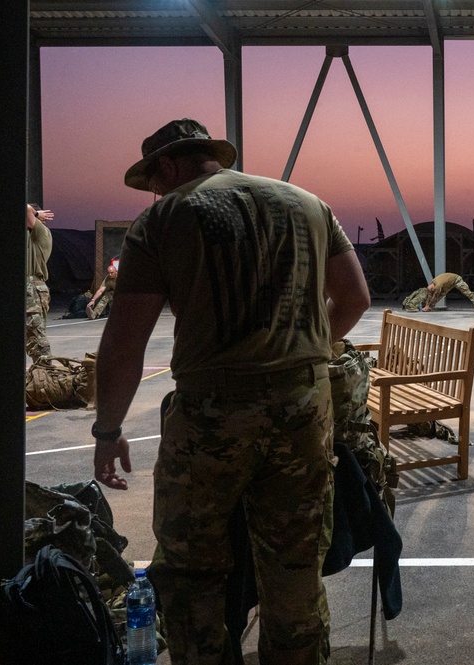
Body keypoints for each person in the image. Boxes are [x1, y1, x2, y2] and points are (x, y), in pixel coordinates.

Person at [91, 118, 370, 665]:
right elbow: (355, 298)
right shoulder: (310, 205)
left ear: (169, 166)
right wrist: (304, 353)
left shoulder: (164, 218)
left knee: (192, 572)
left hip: (213, 416)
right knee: (294, 567)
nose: (153, 190)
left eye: (153, 178)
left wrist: (108, 431)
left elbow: (124, 344)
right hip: (304, 411)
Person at [26, 203, 54, 361]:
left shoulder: (41, 232)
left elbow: (25, 209)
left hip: (33, 290)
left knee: (37, 343)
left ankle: (46, 379)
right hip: (30, 288)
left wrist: (34, 213)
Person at [404, 272, 474, 312]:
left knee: (469, 293)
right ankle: (428, 308)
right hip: (446, 284)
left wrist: (428, 305)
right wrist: (427, 305)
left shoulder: (437, 285)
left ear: (433, 288)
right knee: (436, 297)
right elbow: (429, 296)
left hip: (456, 280)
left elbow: (434, 297)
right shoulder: (432, 284)